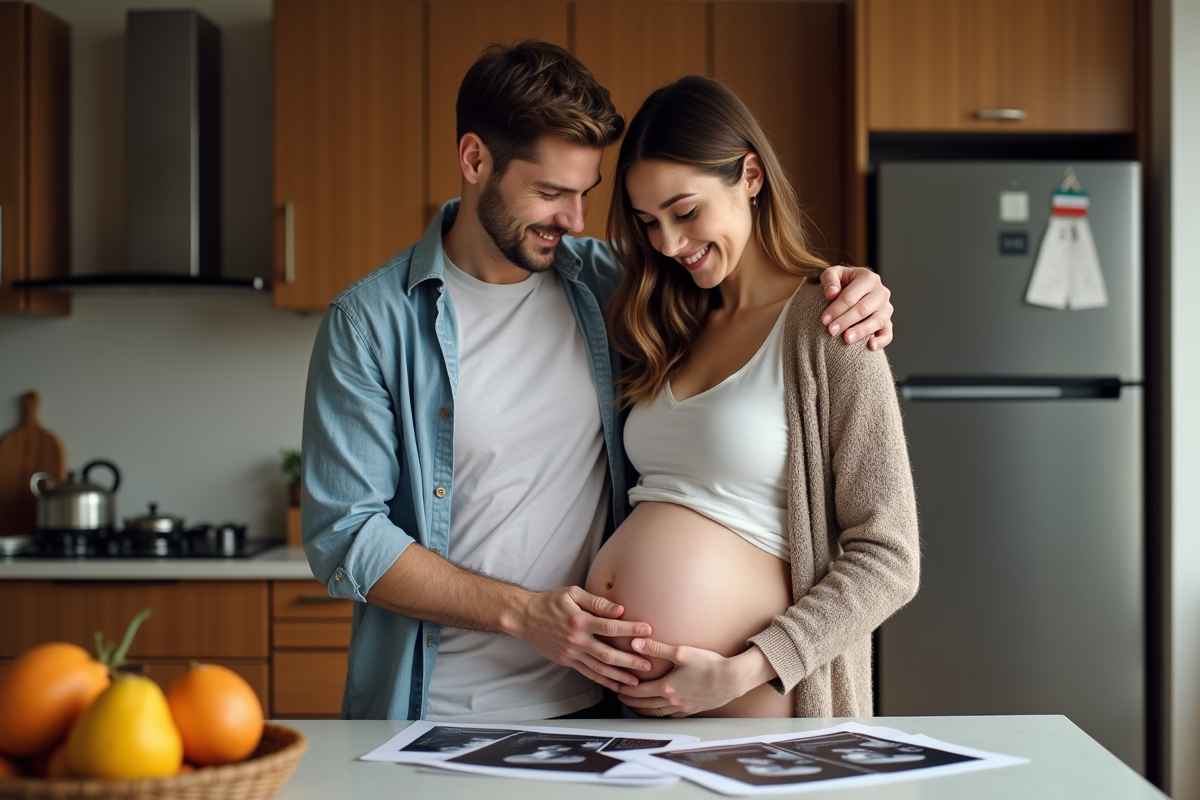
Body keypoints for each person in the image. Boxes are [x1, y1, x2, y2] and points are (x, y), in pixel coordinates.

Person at [301, 41, 898, 721]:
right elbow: (345, 533)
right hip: (440, 706)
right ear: (474, 160)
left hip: (600, 711)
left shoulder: (612, 286)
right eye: (550, 192)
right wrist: (525, 614)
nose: (575, 222)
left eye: (585, 194)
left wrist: (859, 288)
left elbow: (744, 277)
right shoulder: (373, 322)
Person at [584, 75, 919, 717]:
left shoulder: (832, 326)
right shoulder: (660, 327)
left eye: (686, 212)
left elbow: (889, 555)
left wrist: (746, 670)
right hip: (638, 716)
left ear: (752, 177)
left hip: (751, 703)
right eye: (648, 223)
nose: (670, 244)